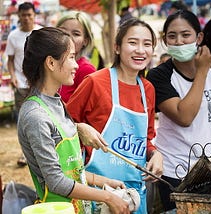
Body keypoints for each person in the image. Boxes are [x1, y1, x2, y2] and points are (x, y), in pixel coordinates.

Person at [17, 27, 130, 214]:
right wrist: (108, 198)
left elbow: (71, 172)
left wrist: (105, 182)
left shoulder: (57, 102)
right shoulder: (35, 116)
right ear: (51, 63)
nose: (76, 65)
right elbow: (56, 182)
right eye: (71, 57)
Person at [146, 10, 211, 212]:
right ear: (165, 41)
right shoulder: (158, 76)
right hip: (175, 172)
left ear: (198, 37)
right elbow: (184, 116)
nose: (179, 41)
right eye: (172, 36)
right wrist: (202, 71)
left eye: (185, 35)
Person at [66, 18, 163, 214]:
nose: (140, 50)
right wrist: (79, 128)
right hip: (97, 193)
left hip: (134, 195)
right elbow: (61, 124)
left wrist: (155, 154)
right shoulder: (95, 82)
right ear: (117, 47)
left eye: (147, 44)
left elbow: (146, 139)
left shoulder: (148, 89)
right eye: (133, 42)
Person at [5, 2, 42, 167]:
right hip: (21, 84)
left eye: (29, 15)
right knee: (24, 119)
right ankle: (25, 153)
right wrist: (13, 77)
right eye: (23, 15)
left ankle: (41, 152)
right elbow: (10, 60)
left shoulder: (41, 33)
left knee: (42, 118)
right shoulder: (13, 36)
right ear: (18, 17)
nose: (26, 18)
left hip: (40, 83)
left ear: (34, 15)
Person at [56, 11, 97, 103]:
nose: (68, 36)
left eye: (76, 34)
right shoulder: (50, 62)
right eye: (63, 31)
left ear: (85, 41)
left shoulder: (86, 70)